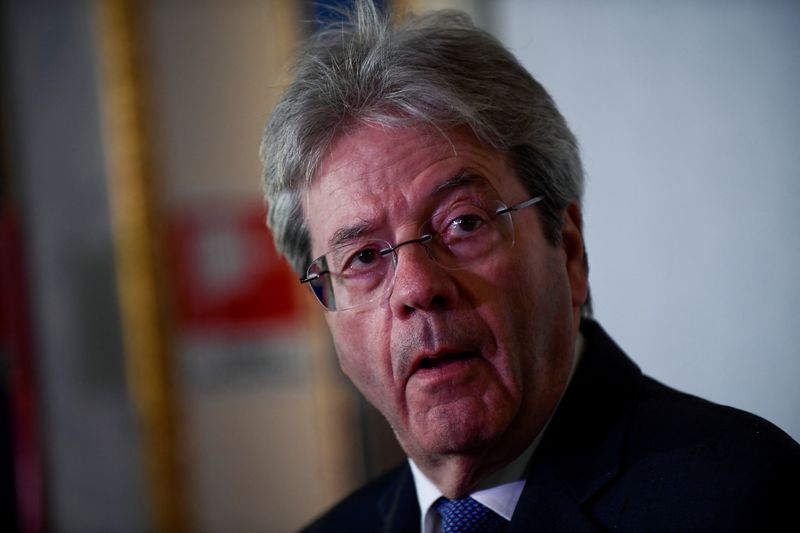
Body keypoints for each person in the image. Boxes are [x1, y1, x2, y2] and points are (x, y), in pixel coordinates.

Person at [260, 2, 800, 531]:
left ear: (567, 250)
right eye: (364, 258)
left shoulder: (742, 497)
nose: (418, 288)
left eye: (463, 224)